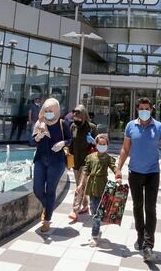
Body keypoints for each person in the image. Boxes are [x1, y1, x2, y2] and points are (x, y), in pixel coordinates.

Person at [115, 97, 161, 262]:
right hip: (134, 173)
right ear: (137, 109)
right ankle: (140, 236)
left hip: (152, 174)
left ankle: (148, 245)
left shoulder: (159, 127)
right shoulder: (130, 126)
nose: (144, 110)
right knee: (137, 206)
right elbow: (125, 149)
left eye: (147, 108)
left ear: (151, 109)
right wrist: (118, 167)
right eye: (141, 108)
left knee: (150, 208)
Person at [32, 97, 72, 233]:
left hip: (57, 161)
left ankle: (47, 220)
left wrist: (62, 143)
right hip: (40, 159)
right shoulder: (40, 123)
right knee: (37, 189)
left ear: (56, 110)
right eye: (46, 110)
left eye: (51, 110)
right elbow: (32, 140)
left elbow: (70, 139)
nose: (48, 113)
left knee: (50, 190)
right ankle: (47, 205)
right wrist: (37, 137)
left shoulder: (62, 123)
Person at [83, 134, 116, 247]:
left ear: (107, 145)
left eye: (104, 144)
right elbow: (85, 171)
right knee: (94, 210)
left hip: (102, 186)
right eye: (100, 144)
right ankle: (96, 231)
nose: (102, 146)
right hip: (92, 186)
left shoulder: (108, 158)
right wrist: (80, 185)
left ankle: (95, 234)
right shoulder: (90, 157)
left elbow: (114, 167)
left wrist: (118, 174)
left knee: (97, 212)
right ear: (96, 144)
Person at [68, 104, 97, 222]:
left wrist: (93, 141)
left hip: (87, 161)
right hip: (75, 161)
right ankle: (85, 206)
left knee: (80, 186)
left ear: (84, 116)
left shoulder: (92, 127)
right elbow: (71, 144)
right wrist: (68, 160)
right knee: (80, 186)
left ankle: (75, 210)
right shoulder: (73, 127)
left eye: (79, 118)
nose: (77, 120)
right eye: (75, 118)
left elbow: (100, 144)